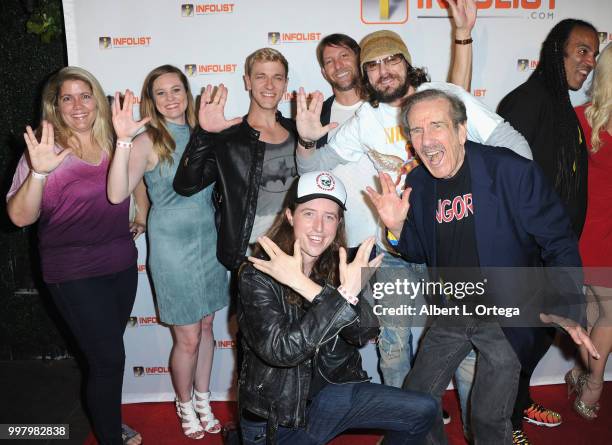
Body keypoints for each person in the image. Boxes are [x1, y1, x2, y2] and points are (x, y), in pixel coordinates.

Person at [366, 88, 599, 444]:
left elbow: (558, 240)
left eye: (436, 126)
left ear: (461, 131)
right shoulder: (418, 184)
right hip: (452, 309)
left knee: (488, 416)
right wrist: (396, 229)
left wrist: (567, 303)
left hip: (506, 312)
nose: (426, 140)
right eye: (415, 130)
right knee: (416, 401)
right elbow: (418, 252)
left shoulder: (511, 172)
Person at [238, 170, 437, 445]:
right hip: (277, 418)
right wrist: (338, 297)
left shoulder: (343, 263)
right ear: (289, 216)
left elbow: (363, 331)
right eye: (309, 213)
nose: (319, 227)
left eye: (329, 216)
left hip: (331, 395)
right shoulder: (257, 274)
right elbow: (283, 350)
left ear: (338, 223)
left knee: (423, 409)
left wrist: (309, 286)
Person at [6, 67, 143, 445]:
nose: (78, 104)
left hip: (120, 264)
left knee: (106, 358)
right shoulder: (45, 149)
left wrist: (142, 210)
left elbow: (136, 179)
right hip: (73, 272)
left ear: (97, 100)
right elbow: (19, 217)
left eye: (85, 95)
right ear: (56, 105)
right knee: (108, 360)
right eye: (67, 97)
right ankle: (111, 436)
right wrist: (37, 173)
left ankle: (108, 422)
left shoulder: (115, 141)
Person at [107, 65, 228, 439]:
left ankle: (204, 397)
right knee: (187, 337)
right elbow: (116, 194)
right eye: (161, 92)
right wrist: (123, 141)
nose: (171, 98)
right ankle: (184, 402)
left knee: (207, 326)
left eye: (177, 89)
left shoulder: (200, 133)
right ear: (151, 100)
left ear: (187, 94)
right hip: (172, 244)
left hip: (208, 238)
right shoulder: (147, 140)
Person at [498, 18, 600, 441]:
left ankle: (518, 402)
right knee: (515, 344)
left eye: (594, 53)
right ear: (557, 51)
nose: (590, 61)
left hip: (552, 253)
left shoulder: (560, 104)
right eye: (582, 50)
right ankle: (503, 420)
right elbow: (502, 182)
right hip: (526, 254)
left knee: (538, 338)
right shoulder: (527, 102)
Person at [173, 48, 297, 271]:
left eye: (277, 78)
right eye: (261, 77)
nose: (270, 85)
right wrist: (204, 133)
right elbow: (186, 186)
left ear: (285, 84)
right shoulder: (230, 138)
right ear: (248, 81)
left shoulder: (299, 131)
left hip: (297, 250)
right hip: (252, 256)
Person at [566, 42, 612, 420]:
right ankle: (593, 385)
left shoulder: (583, 117)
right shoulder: (579, 120)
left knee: (599, 315)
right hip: (590, 232)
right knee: (608, 315)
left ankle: (582, 374)